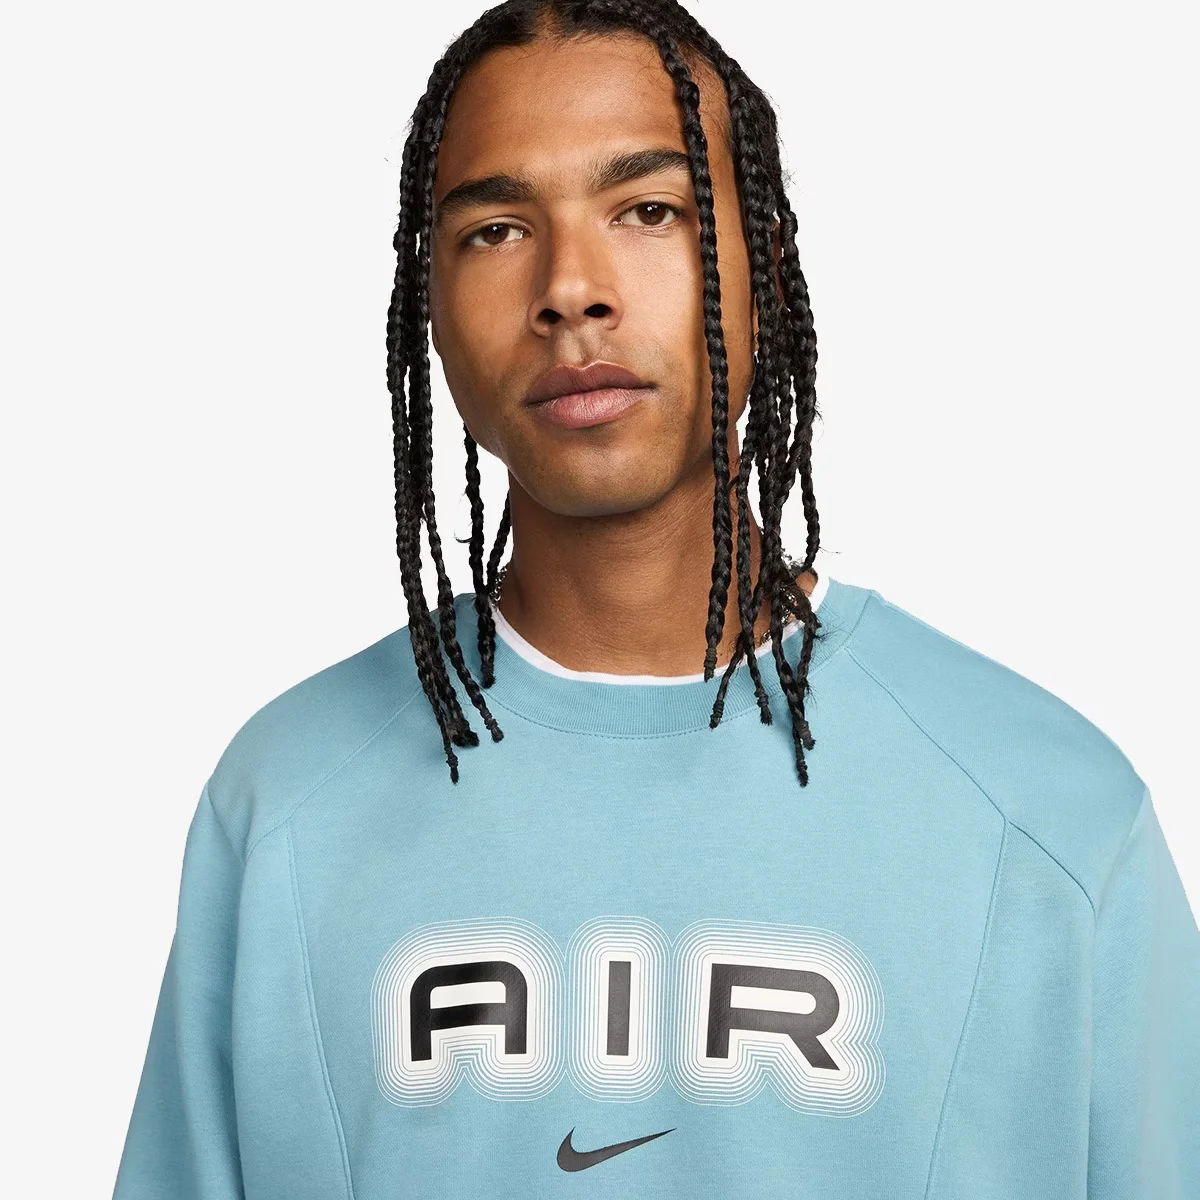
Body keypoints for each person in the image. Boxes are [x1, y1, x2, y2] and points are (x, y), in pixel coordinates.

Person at [112, 1, 1199, 1196]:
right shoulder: (285, 807)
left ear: (764, 265)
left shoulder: (1047, 813)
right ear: (430, 306)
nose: (571, 288)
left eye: (648, 210)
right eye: (495, 230)